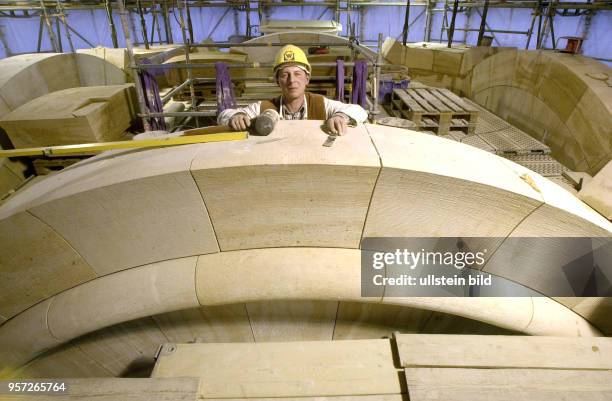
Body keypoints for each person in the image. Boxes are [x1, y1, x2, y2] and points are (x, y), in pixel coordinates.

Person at [217, 44, 368, 135]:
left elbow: (360, 111)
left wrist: (341, 117)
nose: (292, 81)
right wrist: (236, 117)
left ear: (307, 79)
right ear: (277, 81)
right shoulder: (264, 108)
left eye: (297, 74)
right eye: (285, 75)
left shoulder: (321, 104)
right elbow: (223, 115)